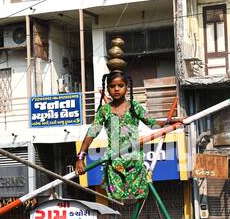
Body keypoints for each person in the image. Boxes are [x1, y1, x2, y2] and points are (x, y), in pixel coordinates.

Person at [75, 71, 180, 201]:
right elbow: (92, 132)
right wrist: (80, 157)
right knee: (117, 200)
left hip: (134, 160)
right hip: (115, 161)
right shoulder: (104, 111)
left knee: (139, 196)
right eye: (112, 86)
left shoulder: (134, 107)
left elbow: (152, 124)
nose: (117, 89)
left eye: (120, 85)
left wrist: (170, 122)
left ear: (126, 87)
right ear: (107, 89)